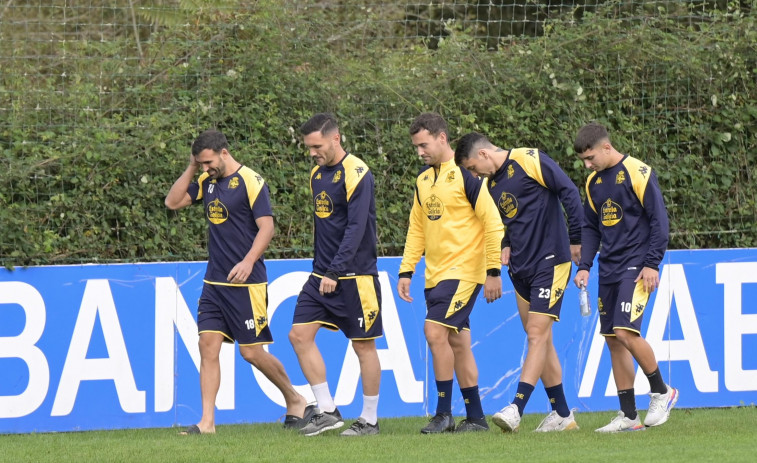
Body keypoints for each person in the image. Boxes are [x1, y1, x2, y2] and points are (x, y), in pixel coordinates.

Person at [164, 129, 314, 434]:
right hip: (214, 283)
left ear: (224, 152)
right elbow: (173, 202)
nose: (206, 168)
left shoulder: (251, 181)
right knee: (207, 345)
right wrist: (192, 167)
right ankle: (207, 423)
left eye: (208, 162)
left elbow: (267, 228)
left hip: (247, 284)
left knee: (251, 352)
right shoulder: (207, 181)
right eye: (201, 163)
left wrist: (248, 261)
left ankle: (296, 399)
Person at [454, 132, 583, 433]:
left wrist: (576, 239)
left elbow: (568, 191)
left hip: (551, 261)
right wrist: (506, 242)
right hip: (521, 267)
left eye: (473, 167)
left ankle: (517, 407)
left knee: (537, 334)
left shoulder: (529, 159)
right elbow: (513, 219)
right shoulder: (492, 184)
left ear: (484, 154)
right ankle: (562, 414)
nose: (474, 174)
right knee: (541, 336)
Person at [397, 113, 504, 434]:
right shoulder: (423, 181)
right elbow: (417, 228)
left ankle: (443, 413)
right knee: (458, 344)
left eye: (424, 145)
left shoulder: (467, 178)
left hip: (463, 274)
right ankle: (477, 419)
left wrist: (493, 270)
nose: (420, 152)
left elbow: (493, 223)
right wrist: (406, 269)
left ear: (442, 138)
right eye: (416, 147)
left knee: (433, 333)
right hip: (435, 276)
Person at [572, 122, 679, 432]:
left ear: (607, 147)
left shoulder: (638, 172)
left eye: (590, 158)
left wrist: (652, 264)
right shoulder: (593, 182)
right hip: (609, 267)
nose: (588, 165)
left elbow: (659, 221)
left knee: (625, 331)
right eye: (584, 161)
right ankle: (629, 416)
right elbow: (590, 227)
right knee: (613, 341)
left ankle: (662, 391)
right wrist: (585, 266)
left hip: (637, 265)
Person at [288, 113, 383, 437]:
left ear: (335, 138)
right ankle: (327, 409)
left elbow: (357, 228)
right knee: (299, 335)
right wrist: (323, 270)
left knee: (363, 346)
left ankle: (369, 420)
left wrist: (336, 270)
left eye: (317, 146)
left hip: (354, 275)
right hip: (321, 275)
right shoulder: (316, 174)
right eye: (309, 147)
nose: (313, 152)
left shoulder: (357, 173)